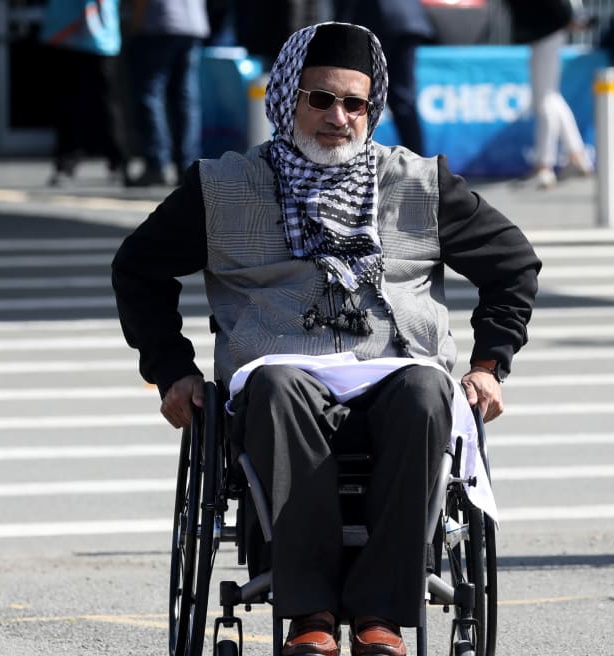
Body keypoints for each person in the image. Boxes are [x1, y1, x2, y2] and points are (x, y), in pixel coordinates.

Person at [112, 22, 540, 656]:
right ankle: (308, 613)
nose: (337, 117)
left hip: (396, 369)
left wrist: (487, 365)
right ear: (288, 99)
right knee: (280, 386)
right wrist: (171, 369)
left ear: (372, 109)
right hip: (279, 377)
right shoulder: (223, 187)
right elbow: (137, 267)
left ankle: (381, 619)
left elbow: (514, 265)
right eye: (320, 99)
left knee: (429, 390)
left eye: (354, 103)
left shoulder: (417, 182)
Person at [505, 0, 595, 189]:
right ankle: (576, 155)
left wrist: (569, 17)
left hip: (547, 29)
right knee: (550, 96)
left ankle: (543, 167)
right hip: (548, 28)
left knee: (543, 100)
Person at [40, 0, 130, 187]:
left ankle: (117, 161)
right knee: (70, 103)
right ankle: (67, 162)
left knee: (105, 103)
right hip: (69, 34)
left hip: (98, 36)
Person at [125, 0, 209, 187]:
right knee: (186, 99)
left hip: (158, 23)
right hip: (192, 23)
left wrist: (135, 25)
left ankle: (157, 163)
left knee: (150, 95)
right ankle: (187, 165)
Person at [334, 0, 433, 155]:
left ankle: (352, 161)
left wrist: (337, 33)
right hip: (407, 20)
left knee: (360, 95)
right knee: (403, 99)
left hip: (377, 21)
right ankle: (419, 163)